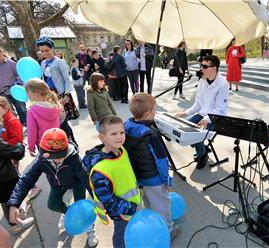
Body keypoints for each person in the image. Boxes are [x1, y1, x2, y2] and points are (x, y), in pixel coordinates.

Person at [7, 128, 99, 248]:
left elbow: (85, 177)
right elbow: (26, 179)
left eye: (61, 155)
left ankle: (90, 228)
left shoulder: (73, 157)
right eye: (53, 157)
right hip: (57, 184)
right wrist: (14, 203)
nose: (57, 160)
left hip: (76, 183)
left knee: (81, 208)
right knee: (53, 204)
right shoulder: (42, 160)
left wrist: (97, 198)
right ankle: (70, 212)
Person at [123, 93, 182, 241]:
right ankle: (168, 231)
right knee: (162, 206)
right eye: (154, 109)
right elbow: (161, 160)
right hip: (154, 178)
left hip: (138, 176)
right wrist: (167, 180)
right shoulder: (151, 135)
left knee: (148, 204)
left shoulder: (126, 126)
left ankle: (153, 226)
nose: (155, 112)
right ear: (148, 114)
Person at [82, 116, 142, 248]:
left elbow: (127, 174)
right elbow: (107, 199)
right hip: (121, 213)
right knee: (121, 236)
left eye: (122, 132)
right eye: (113, 133)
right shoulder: (100, 170)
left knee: (130, 232)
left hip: (133, 204)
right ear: (102, 138)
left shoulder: (122, 151)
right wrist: (132, 208)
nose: (119, 137)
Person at [175, 55, 229, 168]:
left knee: (196, 134)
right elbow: (198, 104)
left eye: (204, 66)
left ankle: (202, 155)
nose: (201, 69)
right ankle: (202, 148)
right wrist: (185, 113)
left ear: (214, 68)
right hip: (203, 114)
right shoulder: (202, 82)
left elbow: (219, 108)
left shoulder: (223, 84)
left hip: (217, 117)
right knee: (185, 129)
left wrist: (206, 119)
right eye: (201, 66)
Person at [0, 95, 42, 199]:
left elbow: (17, 141)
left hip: (11, 153)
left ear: (5, 107)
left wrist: (4, 149)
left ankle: (33, 187)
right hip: (5, 154)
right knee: (14, 174)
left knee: (14, 175)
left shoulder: (12, 121)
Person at [36, 36, 80, 121]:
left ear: (52, 49)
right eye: (42, 51)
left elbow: (67, 79)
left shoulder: (60, 61)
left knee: (64, 120)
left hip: (61, 93)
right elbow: (43, 79)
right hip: (49, 95)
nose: (45, 53)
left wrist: (67, 95)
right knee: (55, 120)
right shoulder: (43, 63)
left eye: (47, 50)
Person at [0, 47, 27, 126]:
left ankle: (26, 124)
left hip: (15, 91)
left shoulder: (12, 63)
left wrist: (17, 84)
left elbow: (19, 76)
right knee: (9, 111)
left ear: (1, 52)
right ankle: (16, 126)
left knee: (21, 109)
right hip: (3, 92)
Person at [24, 79, 62, 156]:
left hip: (43, 145)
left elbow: (32, 131)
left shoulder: (32, 111)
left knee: (48, 166)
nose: (27, 95)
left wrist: (31, 148)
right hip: (58, 141)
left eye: (27, 93)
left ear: (35, 94)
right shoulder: (55, 106)